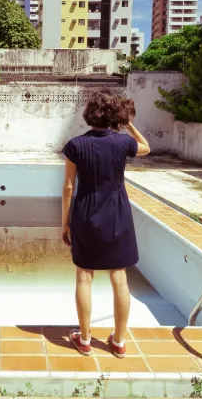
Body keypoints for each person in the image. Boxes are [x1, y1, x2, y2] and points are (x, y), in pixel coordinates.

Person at [60, 90, 151, 358]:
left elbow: (68, 187)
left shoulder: (75, 145)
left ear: (90, 114)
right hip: (117, 213)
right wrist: (128, 124)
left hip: (86, 212)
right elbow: (146, 147)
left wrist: (65, 223)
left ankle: (85, 339)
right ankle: (119, 341)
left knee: (84, 276)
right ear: (114, 116)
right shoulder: (123, 143)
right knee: (119, 278)